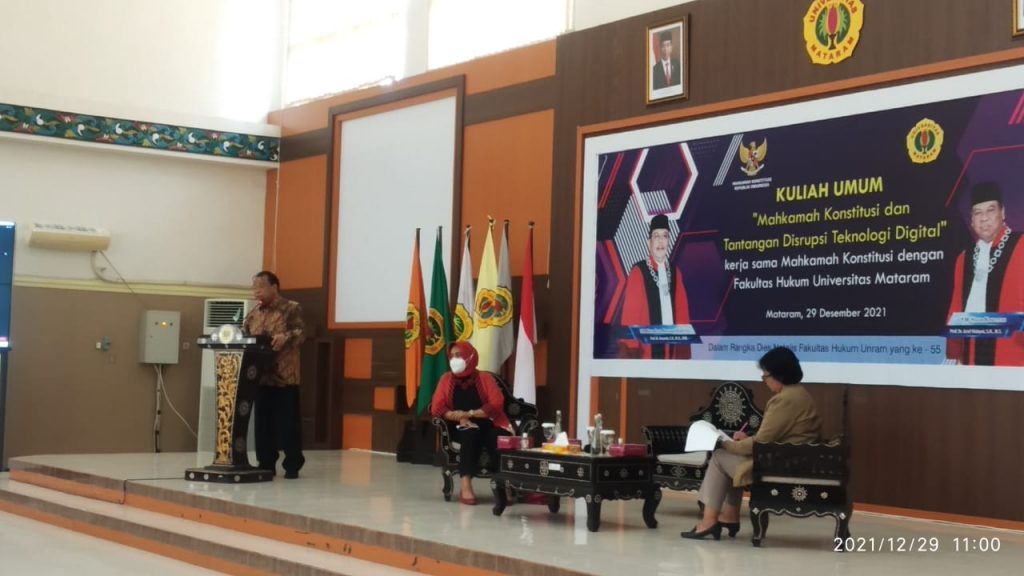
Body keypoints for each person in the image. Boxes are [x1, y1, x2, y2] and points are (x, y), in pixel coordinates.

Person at [681, 347, 821, 540]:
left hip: (783, 465)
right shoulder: (799, 394)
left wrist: (723, 443)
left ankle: (709, 521)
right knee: (730, 459)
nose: (764, 380)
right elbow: (772, 437)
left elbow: (760, 443)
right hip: (791, 458)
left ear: (779, 375)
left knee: (720, 456)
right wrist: (745, 440)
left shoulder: (784, 400)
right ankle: (728, 516)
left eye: (765, 376)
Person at [946, 182, 1024, 366]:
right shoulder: (963, 259)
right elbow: (955, 310)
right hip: (971, 361)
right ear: (972, 221)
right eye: (977, 213)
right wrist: (954, 354)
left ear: (1002, 213)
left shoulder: (1022, 246)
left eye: (990, 210)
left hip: (1014, 362)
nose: (984, 218)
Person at [430, 340, 513, 505]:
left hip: (488, 422)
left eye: (458, 355)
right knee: (469, 433)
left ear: (470, 356)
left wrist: (470, 414)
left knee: (496, 437)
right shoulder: (445, 379)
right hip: (459, 425)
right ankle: (466, 484)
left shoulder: (485, 378)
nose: (454, 359)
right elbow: (436, 407)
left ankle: (504, 485)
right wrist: (459, 417)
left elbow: (496, 403)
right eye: (452, 356)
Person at [243, 271, 306, 479]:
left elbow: (301, 333)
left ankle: (292, 464)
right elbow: (244, 335)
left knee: (287, 425)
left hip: (284, 377)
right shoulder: (254, 313)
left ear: (274, 287)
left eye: (261, 286)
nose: (256, 291)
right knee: (263, 425)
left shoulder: (291, 308)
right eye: (254, 287)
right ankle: (266, 463)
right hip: (260, 377)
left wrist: (285, 336)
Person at [619, 214, 692, 359]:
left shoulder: (675, 272)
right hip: (647, 355)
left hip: (671, 353)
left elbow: (682, 313)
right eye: (656, 236)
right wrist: (631, 356)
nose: (660, 241)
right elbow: (630, 317)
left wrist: (683, 354)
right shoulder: (638, 272)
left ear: (669, 241)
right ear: (649, 242)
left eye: (664, 236)